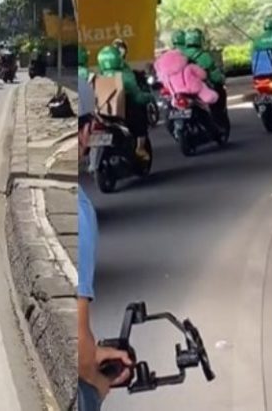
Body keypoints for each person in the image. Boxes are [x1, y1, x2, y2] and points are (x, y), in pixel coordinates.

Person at [77, 122, 132, 410]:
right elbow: (81, 355)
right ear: (84, 133)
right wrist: (100, 385)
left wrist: (94, 354)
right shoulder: (80, 211)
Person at [95, 45, 153, 161]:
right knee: (141, 121)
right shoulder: (126, 76)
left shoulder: (98, 77)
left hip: (103, 115)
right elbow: (138, 97)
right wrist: (148, 97)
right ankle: (140, 148)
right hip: (124, 115)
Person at [182, 28, 228, 123]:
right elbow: (214, 75)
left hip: (183, 90)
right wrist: (221, 80)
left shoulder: (179, 55)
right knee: (220, 92)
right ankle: (218, 118)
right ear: (200, 40)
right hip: (201, 89)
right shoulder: (204, 56)